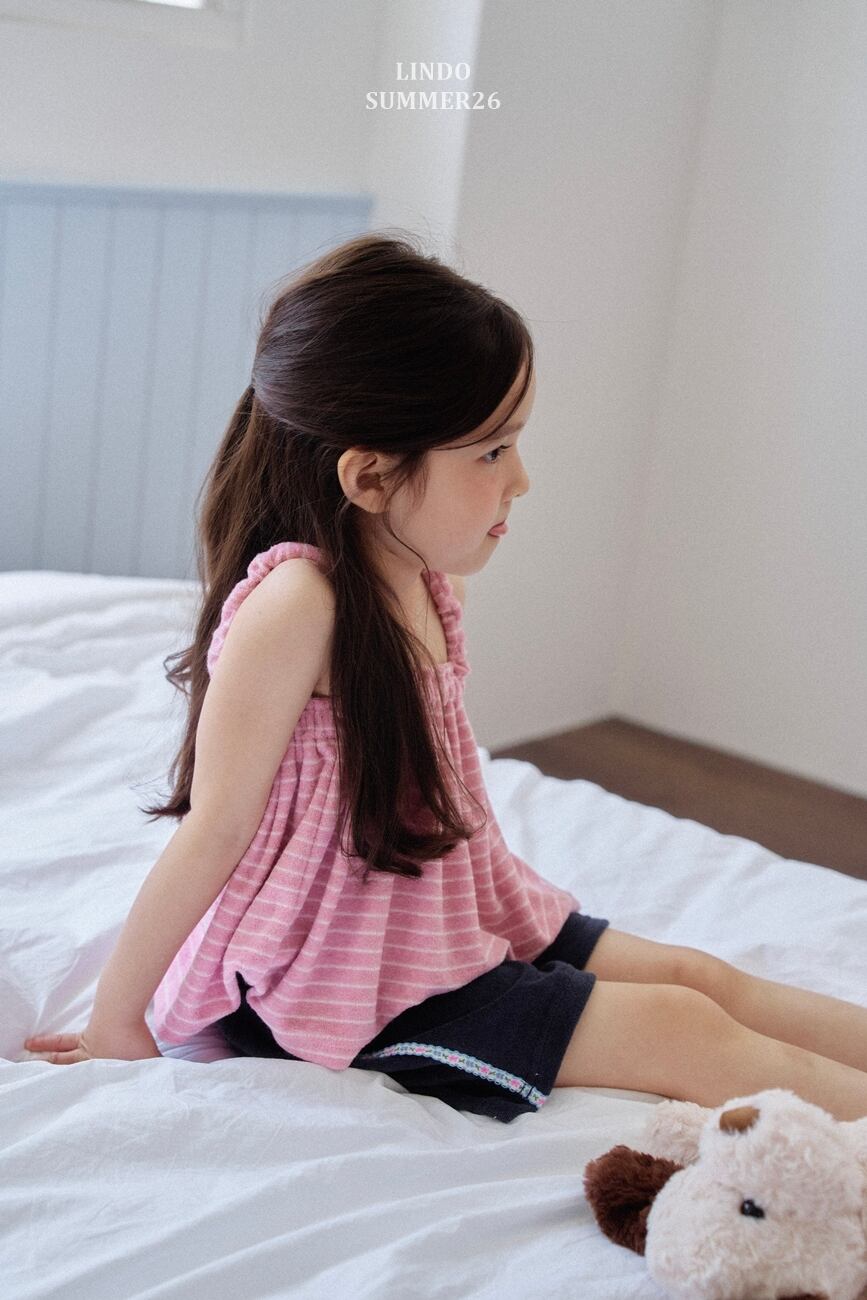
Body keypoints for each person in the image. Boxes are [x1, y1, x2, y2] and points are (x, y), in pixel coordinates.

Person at [23, 233, 867, 1123]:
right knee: (679, 1027)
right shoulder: (299, 606)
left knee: (697, 978)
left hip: (440, 915)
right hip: (342, 982)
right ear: (370, 476)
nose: (521, 480)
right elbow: (216, 827)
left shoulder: (430, 583)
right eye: (491, 453)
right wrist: (118, 1019)